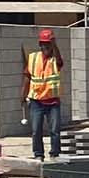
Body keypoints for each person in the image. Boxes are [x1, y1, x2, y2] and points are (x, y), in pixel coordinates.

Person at [25, 27, 64, 161]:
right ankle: (38, 154)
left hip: (53, 101)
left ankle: (54, 154)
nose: (45, 47)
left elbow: (60, 62)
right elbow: (27, 77)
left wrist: (55, 45)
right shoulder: (33, 58)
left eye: (48, 44)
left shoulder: (55, 59)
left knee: (54, 130)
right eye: (44, 44)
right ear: (40, 44)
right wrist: (22, 95)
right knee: (36, 130)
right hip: (36, 101)